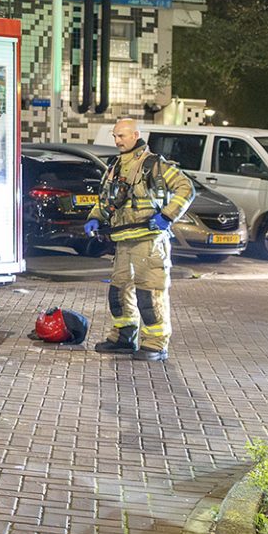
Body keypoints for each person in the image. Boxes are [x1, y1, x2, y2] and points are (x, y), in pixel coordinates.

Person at [84, 117, 194, 362]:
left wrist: (167, 216)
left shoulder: (154, 165)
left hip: (150, 240)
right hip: (124, 240)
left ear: (135, 135)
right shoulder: (115, 165)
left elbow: (186, 188)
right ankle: (124, 337)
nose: (117, 140)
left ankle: (155, 344)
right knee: (119, 291)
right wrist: (95, 217)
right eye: (114, 136)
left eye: (121, 136)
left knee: (150, 292)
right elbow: (108, 199)